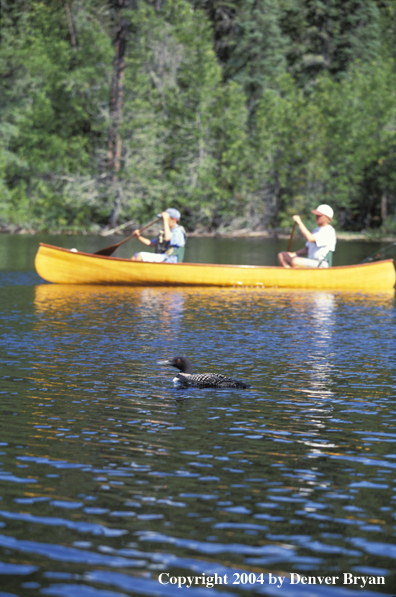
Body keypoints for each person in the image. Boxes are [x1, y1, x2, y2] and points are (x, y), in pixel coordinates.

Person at [278, 204, 336, 268]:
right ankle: (288, 274)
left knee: (295, 261)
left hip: (322, 263)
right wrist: (293, 254)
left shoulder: (329, 231)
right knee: (282, 255)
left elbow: (310, 238)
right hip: (311, 261)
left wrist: (299, 222)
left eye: (319, 216)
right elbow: (307, 249)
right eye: (316, 215)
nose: (316, 217)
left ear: (327, 218)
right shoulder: (316, 230)